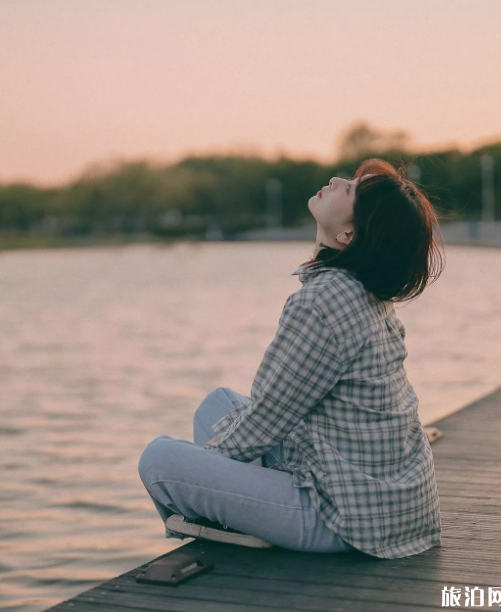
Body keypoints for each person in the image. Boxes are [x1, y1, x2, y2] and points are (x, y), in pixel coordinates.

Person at [138, 157, 446, 558]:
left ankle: (232, 518)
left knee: (160, 460)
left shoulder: (323, 300)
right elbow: (274, 414)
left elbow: (266, 421)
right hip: (392, 505)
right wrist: (216, 471)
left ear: (350, 233)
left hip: (347, 520)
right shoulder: (362, 290)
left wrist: (201, 471)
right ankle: (237, 512)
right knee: (216, 405)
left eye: (349, 189)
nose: (336, 180)